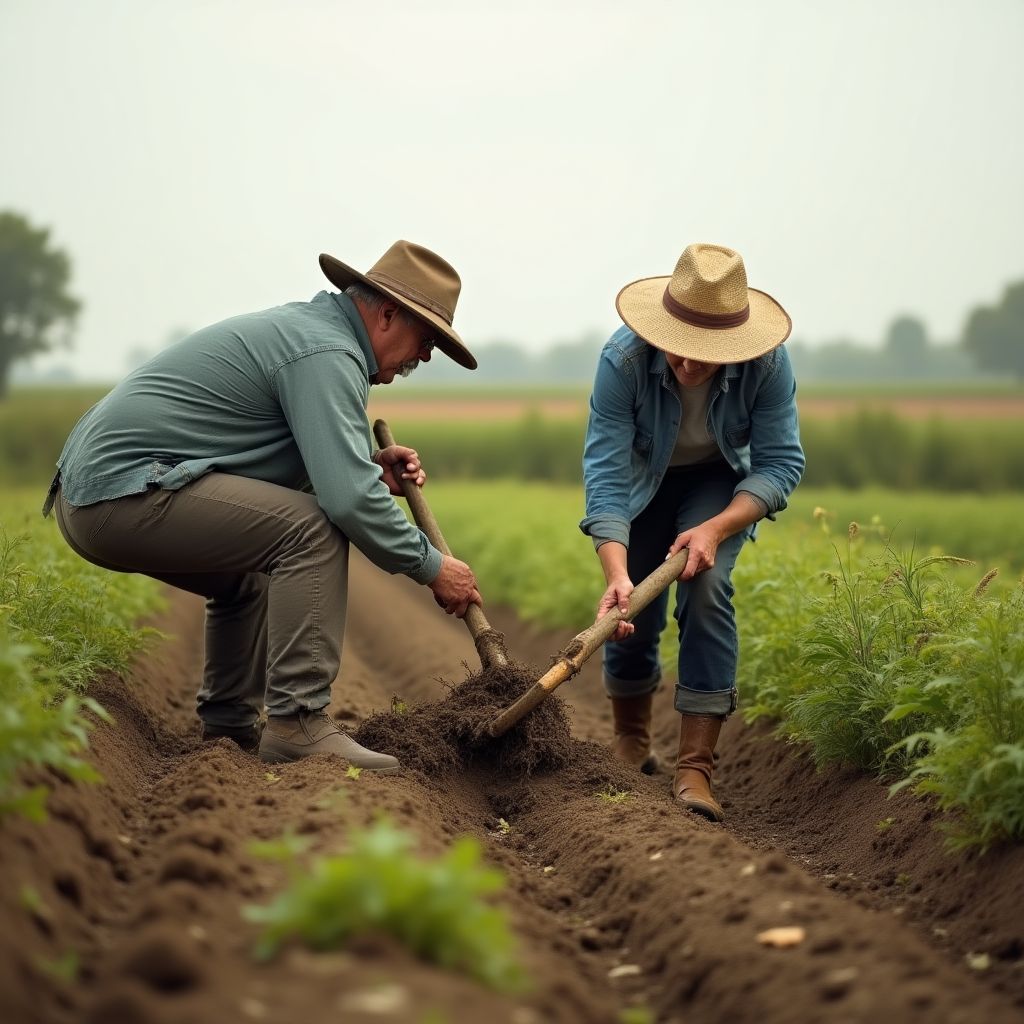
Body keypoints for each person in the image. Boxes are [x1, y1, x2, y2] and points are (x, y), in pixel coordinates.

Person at [43, 240, 483, 773]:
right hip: (122, 491)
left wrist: (365, 465)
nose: (427, 355)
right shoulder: (328, 353)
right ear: (388, 313)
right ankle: (299, 723)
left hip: (93, 496)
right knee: (311, 531)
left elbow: (294, 462)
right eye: (427, 337)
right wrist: (432, 566)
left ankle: (228, 723)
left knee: (250, 568)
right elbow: (346, 500)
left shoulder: (312, 335)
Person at [580, 243, 804, 821]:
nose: (686, 365)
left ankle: (695, 769)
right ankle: (631, 740)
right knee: (634, 607)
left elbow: (780, 464)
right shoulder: (623, 361)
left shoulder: (768, 365)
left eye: (703, 354)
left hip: (718, 488)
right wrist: (616, 571)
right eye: (676, 350)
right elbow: (604, 472)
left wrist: (716, 527)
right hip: (642, 485)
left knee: (706, 590)